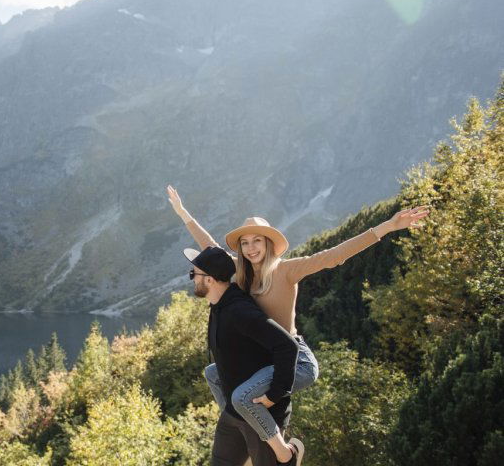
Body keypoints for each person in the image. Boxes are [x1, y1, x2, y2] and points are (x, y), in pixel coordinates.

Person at [167, 184, 429, 462]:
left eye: (257, 241)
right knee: (214, 373)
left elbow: (333, 256)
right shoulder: (242, 272)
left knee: (242, 397)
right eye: (245, 242)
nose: (251, 247)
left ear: (268, 243)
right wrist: (184, 214)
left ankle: (287, 455)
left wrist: (386, 227)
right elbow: (211, 249)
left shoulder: (286, 270)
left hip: (295, 360)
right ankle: (244, 424)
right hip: (266, 360)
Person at [185, 245, 303, 466]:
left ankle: (289, 457)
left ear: (209, 279)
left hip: (259, 416)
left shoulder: (239, 311)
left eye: (194, 274)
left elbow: (288, 346)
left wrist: (275, 395)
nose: (192, 279)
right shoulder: (219, 305)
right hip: (234, 413)